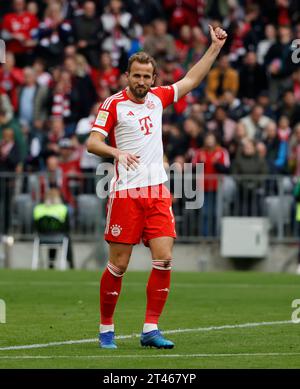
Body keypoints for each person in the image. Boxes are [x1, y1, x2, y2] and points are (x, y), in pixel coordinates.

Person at [87, 25, 228, 349]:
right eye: (136, 76)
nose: (142, 82)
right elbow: (92, 143)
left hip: (157, 193)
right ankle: (106, 328)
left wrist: (214, 48)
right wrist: (117, 151)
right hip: (126, 193)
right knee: (119, 265)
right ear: (127, 76)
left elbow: (191, 80)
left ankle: (150, 329)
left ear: (153, 78)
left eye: (147, 76)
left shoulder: (158, 99)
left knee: (164, 259)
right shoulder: (114, 104)